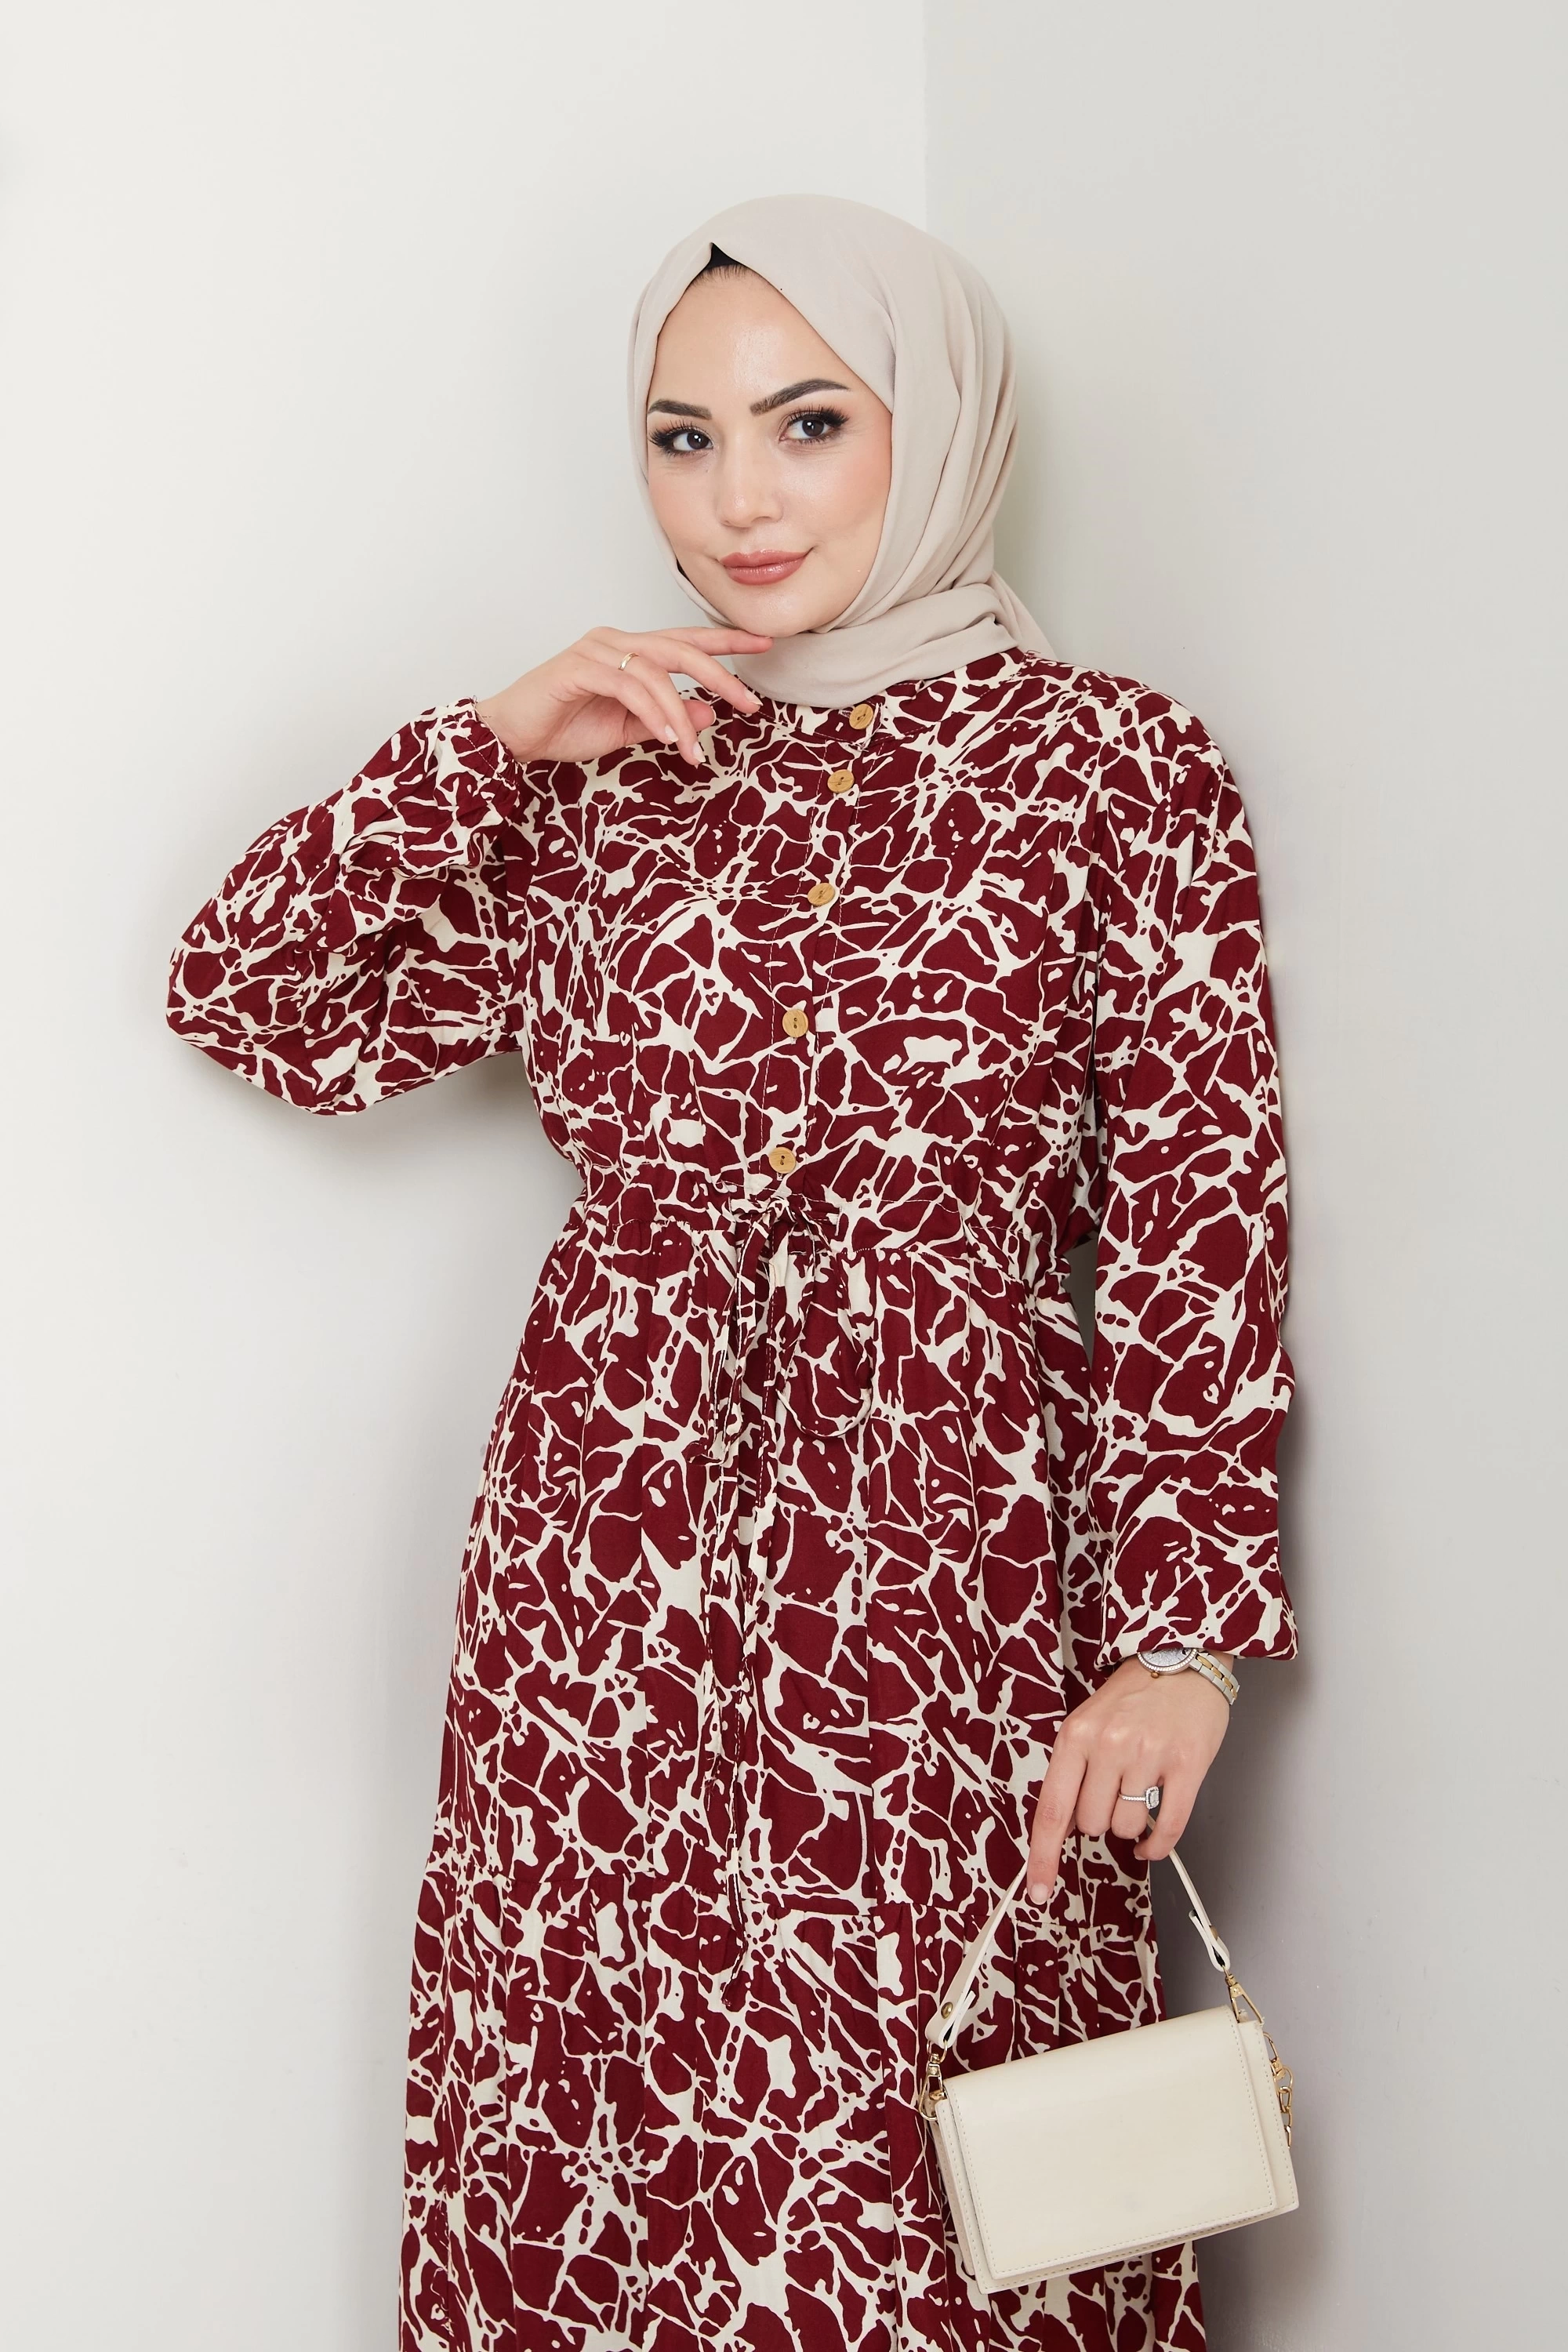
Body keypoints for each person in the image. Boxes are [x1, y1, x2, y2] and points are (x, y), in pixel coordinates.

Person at [167, 194, 1298, 2352]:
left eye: (807, 423)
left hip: (939, 1577)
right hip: (601, 1585)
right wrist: (492, 748)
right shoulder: (612, 772)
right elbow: (254, 1000)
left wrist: (1185, 1646)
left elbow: (1198, 1222)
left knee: (934, 2187)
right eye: (682, 440)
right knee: (597, 2138)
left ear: (934, 426)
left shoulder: (1113, 768)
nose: (738, 502)